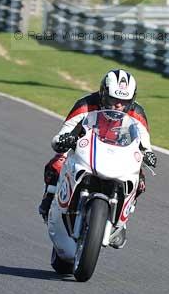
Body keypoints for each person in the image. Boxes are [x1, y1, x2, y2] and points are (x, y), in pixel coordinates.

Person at [38, 68, 157, 248]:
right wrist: (63, 140)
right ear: (103, 94)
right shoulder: (85, 104)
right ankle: (49, 200)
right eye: (113, 100)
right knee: (57, 163)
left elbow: (145, 142)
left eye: (123, 102)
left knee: (139, 179)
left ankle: (122, 221)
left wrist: (148, 153)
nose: (118, 106)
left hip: (118, 154)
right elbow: (63, 131)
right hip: (86, 151)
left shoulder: (137, 112)